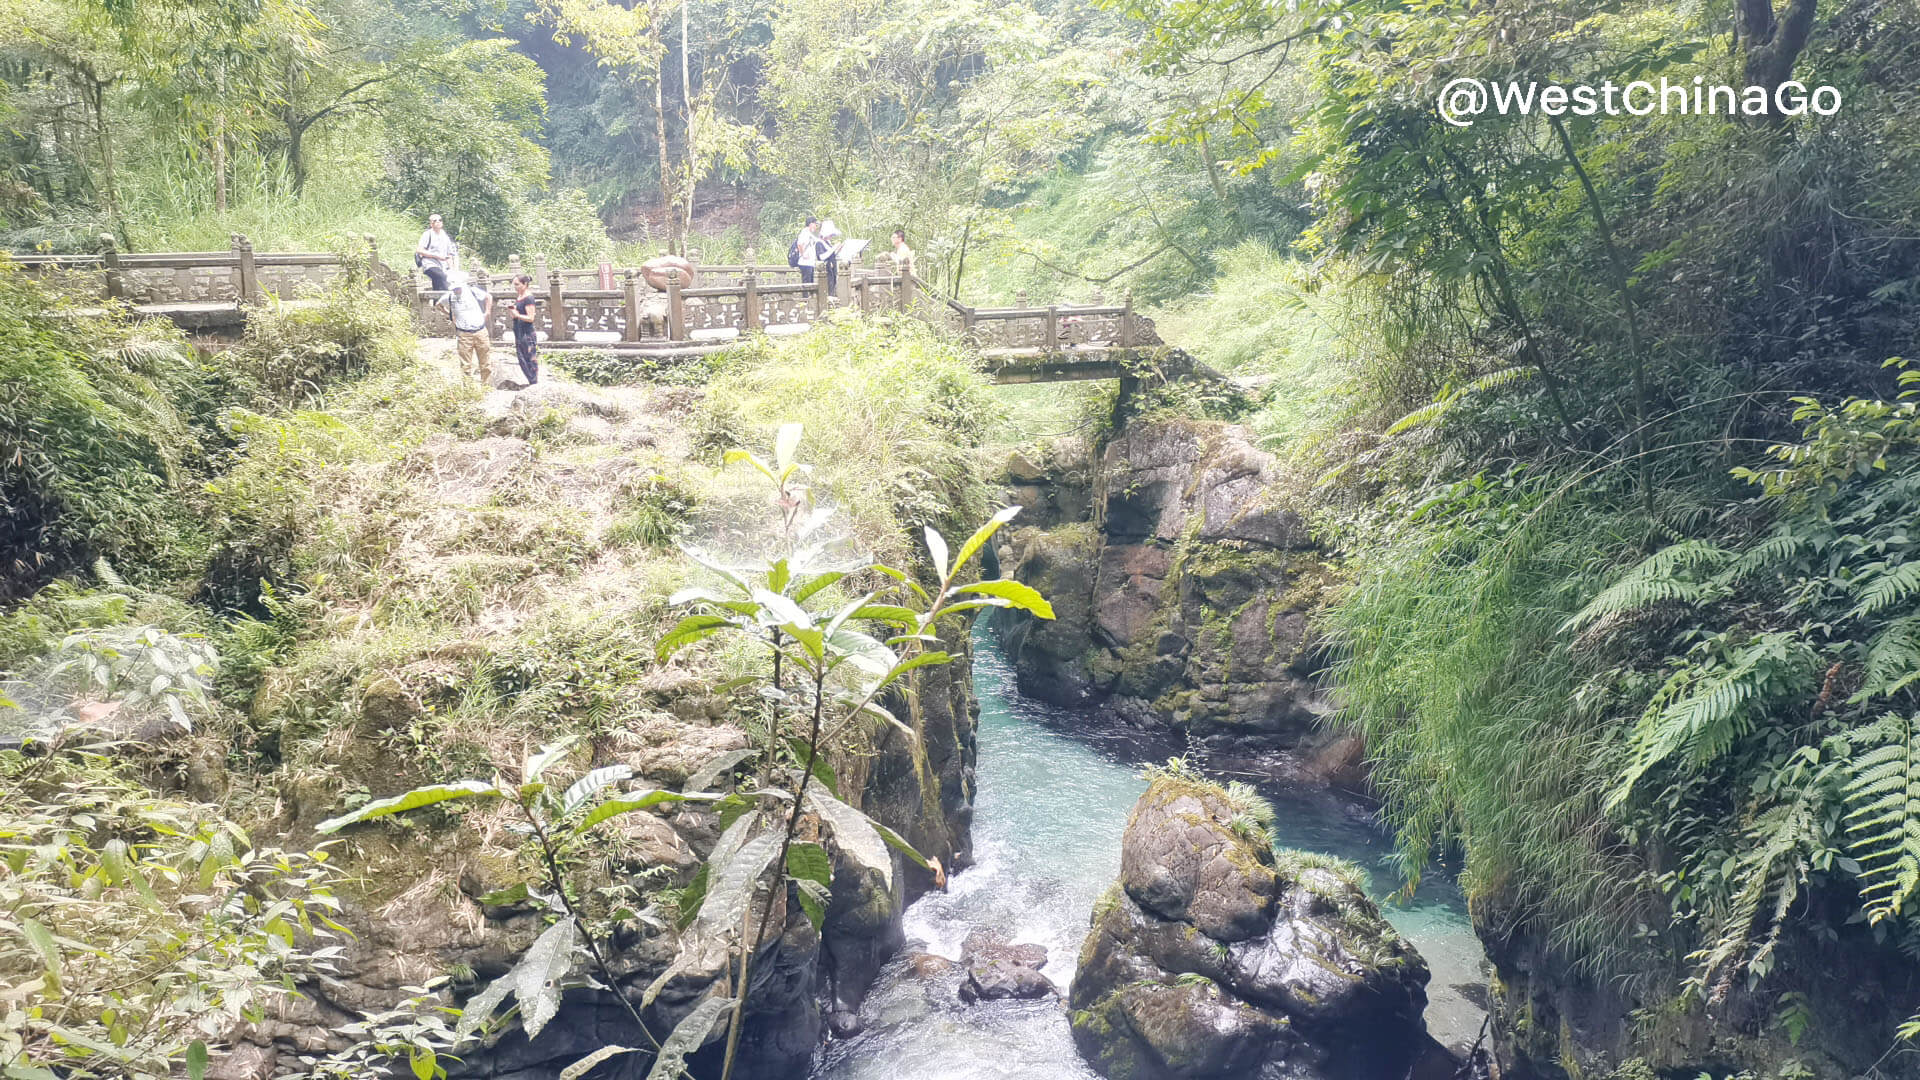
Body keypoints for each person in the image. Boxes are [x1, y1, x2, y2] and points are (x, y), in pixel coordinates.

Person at [439, 271, 493, 383]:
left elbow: (488, 297)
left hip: (480, 330)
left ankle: (486, 384)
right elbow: (438, 305)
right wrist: (449, 314)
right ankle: (468, 387)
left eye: (457, 288)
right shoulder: (449, 296)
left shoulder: (472, 291)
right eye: (454, 289)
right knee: (465, 364)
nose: (456, 290)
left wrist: (487, 312)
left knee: (485, 361)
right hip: (463, 333)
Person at [510, 274, 539, 386]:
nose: (515, 287)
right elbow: (517, 315)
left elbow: (531, 318)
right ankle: (530, 381)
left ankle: (534, 382)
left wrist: (517, 315)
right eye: (514, 284)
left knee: (530, 358)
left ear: (525, 284)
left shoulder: (528, 298)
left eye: (517, 284)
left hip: (527, 333)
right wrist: (513, 313)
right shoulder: (519, 296)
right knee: (521, 358)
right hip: (518, 330)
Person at [415, 213, 456, 291]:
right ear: (431, 224)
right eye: (435, 220)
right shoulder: (427, 234)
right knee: (442, 277)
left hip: (442, 266)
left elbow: (449, 254)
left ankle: (437, 302)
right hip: (429, 264)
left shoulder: (445, 236)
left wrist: (452, 268)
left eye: (440, 220)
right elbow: (419, 250)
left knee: (439, 282)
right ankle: (446, 299)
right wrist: (437, 256)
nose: (438, 222)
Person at [794, 216, 830, 285]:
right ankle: (806, 296)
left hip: (810, 262)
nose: (816, 226)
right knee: (807, 283)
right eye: (815, 224)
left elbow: (819, 240)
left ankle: (808, 295)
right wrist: (803, 254)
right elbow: (799, 244)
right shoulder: (804, 232)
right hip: (805, 262)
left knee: (810, 283)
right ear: (811, 224)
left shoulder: (810, 233)